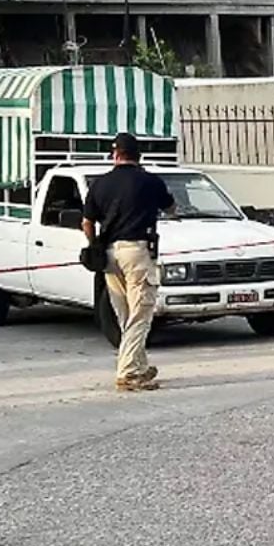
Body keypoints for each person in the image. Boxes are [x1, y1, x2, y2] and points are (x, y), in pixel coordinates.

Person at [82, 133, 176, 392]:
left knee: (125, 315)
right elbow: (171, 208)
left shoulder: (99, 184)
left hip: (109, 254)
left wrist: (93, 244)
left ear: (115, 154)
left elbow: (87, 222)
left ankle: (140, 366)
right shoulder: (150, 181)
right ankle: (128, 373)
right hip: (137, 252)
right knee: (141, 313)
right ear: (139, 155)